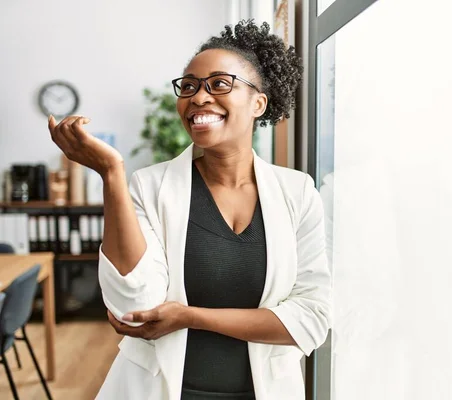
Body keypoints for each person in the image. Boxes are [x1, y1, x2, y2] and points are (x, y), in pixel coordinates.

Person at [47, 20, 331, 400]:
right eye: (189, 85)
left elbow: (311, 318)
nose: (198, 97)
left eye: (219, 84)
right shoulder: (149, 186)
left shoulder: (298, 192)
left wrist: (191, 316)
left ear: (258, 103)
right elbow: (136, 307)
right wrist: (111, 174)